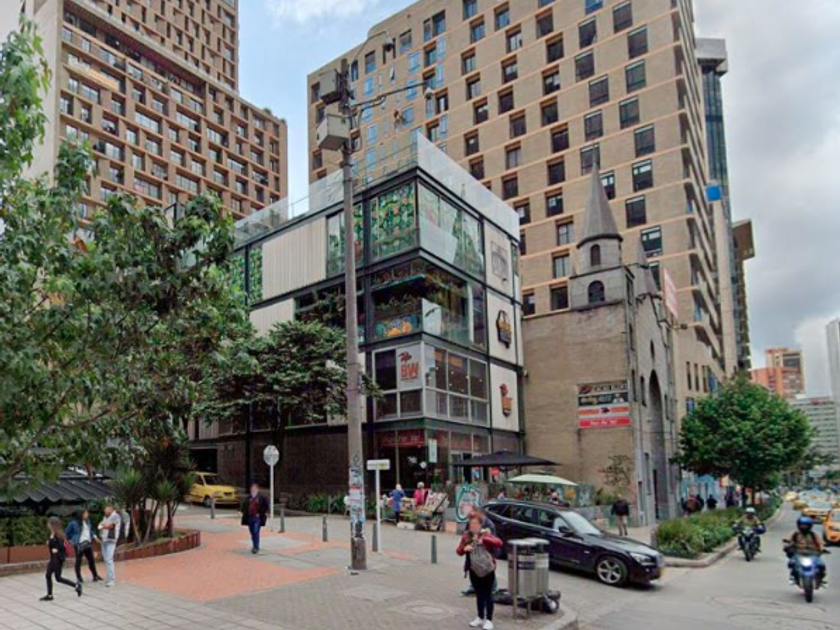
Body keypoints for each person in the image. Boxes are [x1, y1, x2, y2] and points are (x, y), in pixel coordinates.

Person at [457, 513, 503, 630]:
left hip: (488, 569)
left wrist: (487, 538)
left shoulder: (485, 534)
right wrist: (465, 548)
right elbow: (459, 551)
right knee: (479, 594)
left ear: (480, 525)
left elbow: (499, 544)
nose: (473, 526)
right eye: (471, 524)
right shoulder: (467, 536)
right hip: (474, 569)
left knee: (488, 594)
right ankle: (480, 617)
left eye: (476, 524)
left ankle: (489, 620)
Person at [41, 517, 82, 601]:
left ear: (53, 525)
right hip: (53, 558)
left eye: (49, 523)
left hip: (57, 558)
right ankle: (49, 595)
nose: (48, 525)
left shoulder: (58, 535)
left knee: (58, 578)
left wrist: (56, 549)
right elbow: (52, 544)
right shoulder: (52, 534)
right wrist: (49, 542)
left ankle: (76, 585)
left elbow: (62, 547)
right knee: (48, 575)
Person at [785, 516, 827, 585]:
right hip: (798, 553)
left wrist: (822, 549)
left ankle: (821, 579)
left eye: (806, 525)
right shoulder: (795, 534)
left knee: (821, 565)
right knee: (791, 563)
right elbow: (788, 541)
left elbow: (820, 543)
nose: (804, 527)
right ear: (798, 525)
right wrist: (787, 546)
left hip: (813, 553)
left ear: (810, 526)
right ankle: (793, 577)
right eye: (802, 525)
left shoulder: (813, 535)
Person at [65, 508, 102, 584]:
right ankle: (79, 577)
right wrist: (71, 541)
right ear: (81, 514)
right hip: (79, 544)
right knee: (78, 561)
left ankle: (95, 575)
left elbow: (90, 531)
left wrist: (95, 537)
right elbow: (66, 533)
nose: (87, 514)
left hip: (87, 543)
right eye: (85, 513)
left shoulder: (87, 521)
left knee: (91, 560)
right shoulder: (73, 524)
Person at [241, 482, 269, 554]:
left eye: (254, 489)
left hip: (257, 518)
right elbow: (244, 506)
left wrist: (261, 513)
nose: (253, 490)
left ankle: (255, 547)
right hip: (250, 517)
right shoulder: (248, 498)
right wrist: (241, 511)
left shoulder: (261, 498)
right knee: (252, 532)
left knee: (256, 531)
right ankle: (254, 544)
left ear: (257, 489)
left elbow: (266, 506)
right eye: (252, 489)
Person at [97, 504, 121, 587]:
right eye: (104, 510)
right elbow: (101, 524)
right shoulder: (105, 517)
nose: (105, 511)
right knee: (106, 560)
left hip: (111, 540)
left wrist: (102, 525)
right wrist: (102, 525)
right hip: (104, 540)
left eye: (106, 510)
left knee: (109, 560)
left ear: (111, 509)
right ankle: (109, 578)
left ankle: (111, 580)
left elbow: (108, 526)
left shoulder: (115, 516)